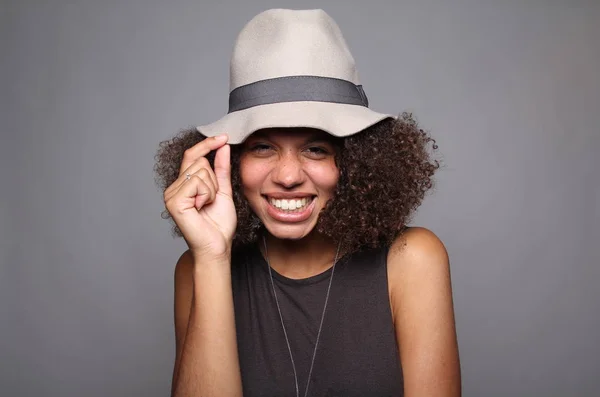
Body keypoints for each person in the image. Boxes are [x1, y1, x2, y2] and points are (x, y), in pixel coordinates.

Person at [155, 8, 460, 397]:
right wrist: (213, 258)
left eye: (315, 149)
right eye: (262, 147)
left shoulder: (411, 258)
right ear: (229, 161)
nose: (287, 176)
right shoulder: (197, 267)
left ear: (353, 162)